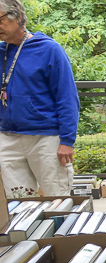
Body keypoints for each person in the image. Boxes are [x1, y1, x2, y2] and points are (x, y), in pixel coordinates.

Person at [0, 0, 78, 198]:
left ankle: (62, 229)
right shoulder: (1, 52)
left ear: (16, 16)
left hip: (45, 138)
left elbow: (67, 97)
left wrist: (67, 141)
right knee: (16, 202)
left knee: (58, 198)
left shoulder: (49, 50)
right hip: (8, 137)